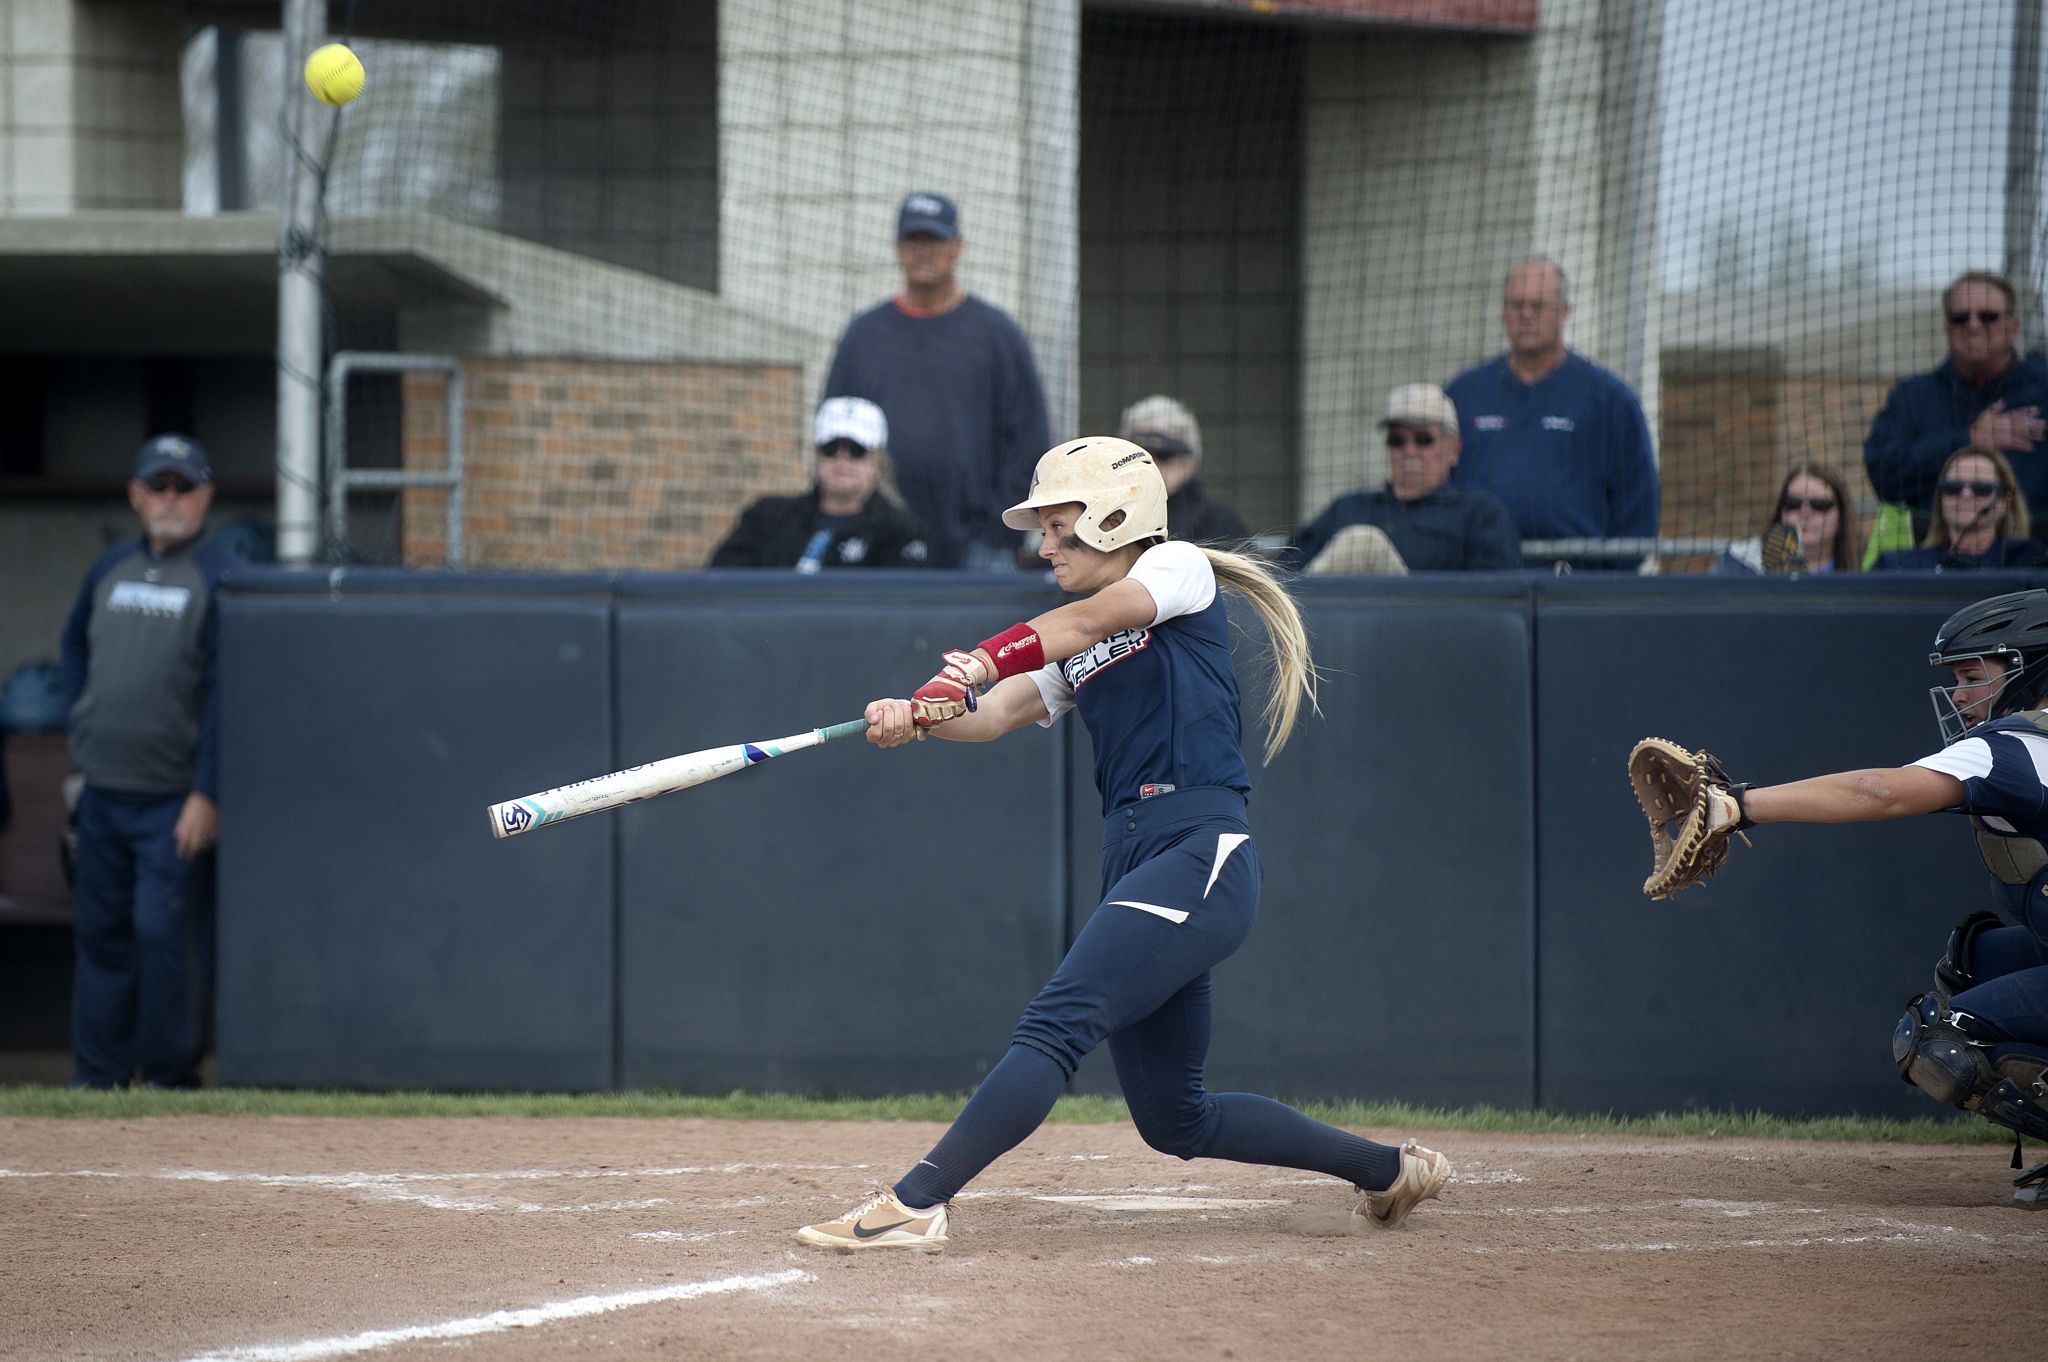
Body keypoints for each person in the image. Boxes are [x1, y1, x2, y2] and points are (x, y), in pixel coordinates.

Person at [793, 436, 1452, 1252]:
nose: (1044, 545)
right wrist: (919, 715)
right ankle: (1388, 1170)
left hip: (1197, 850)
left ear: (1115, 518)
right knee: (1177, 1116)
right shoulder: (1082, 645)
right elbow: (995, 715)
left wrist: (970, 668)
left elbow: (1086, 621)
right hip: (1136, 858)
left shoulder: (1175, 570)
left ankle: (915, 1201)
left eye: (1060, 526)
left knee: (1056, 1022)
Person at [1678, 589, 2048, 1206]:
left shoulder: (2013, 746)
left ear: (2029, 668)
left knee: (1938, 1041)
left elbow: (1878, 792)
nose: (1960, 696)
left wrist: (1739, 805)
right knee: (1971, 963)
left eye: (1972, 676)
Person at [59, 433, 240, 1089]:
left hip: (173, 803)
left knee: (162, 942)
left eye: (182, 487)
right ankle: (98, 1077)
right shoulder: (108, 569)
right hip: (102, 794)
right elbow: (74, 649)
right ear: (135, 495)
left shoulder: (220, 576)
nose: (170, 499)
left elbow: (226, 694)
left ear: (205, 496)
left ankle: (169, 1076)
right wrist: (81, 734)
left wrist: (207, 792)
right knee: (100, 937)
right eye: (157, 486)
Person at [824, 191, 1052, 571]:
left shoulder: (997, 335)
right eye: (914, 241)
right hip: (877, 542)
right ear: (898, 248)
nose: (924, 252)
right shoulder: (864, 335)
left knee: (979, 635)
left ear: (957, 247)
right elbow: (832, 430)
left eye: (935, 241)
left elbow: (1030, 440)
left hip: (978, 548)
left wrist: (998, 533)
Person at [1444, 257, 1659, 568]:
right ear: (1504, 312)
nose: (1526, 315)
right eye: (1516, 305)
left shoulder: (1610, 400)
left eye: (1537, 305)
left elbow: (1638, 509)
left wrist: (1608, 584)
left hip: (1573, 591)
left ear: (1564, 311)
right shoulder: (1464, 394)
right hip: (1481, 586)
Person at [1864, 271, 2048, 547]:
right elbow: (1884, 474)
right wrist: (1968, 440)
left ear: (2013, 326)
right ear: (1948, 329)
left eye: (1988, 316)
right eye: (1960, 317)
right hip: (1938, 572)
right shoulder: (1912, 397)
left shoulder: (2043, 393)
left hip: (2036, 570)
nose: (1973, 326)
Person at [1282, 384, 1521, 573]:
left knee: (1364, 544)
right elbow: (1287, 571)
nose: (1409, 451)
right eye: (1397, 440)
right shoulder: (1349, 507)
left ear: (1454, 448)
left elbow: (1496, 599)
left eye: (1423, 439)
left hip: (1426, 628)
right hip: (1344, 630)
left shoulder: (1479, 514)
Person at [708, 397, 931, 570]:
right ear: (816, 454)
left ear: (877, 460)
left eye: (856, 450)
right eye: (831, 448)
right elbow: (722, 583)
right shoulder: (767, 518)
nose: (842, 460)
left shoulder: (902, 531)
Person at [1872, 448, 2048, 572]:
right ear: (1940, 499)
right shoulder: (1898, 566)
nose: (1965, 495)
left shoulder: (2031, 560)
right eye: (1953, 487)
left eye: (1981, 488)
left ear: (2004, 501)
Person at [1116, 394, 1251, 547]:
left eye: (1164, 455)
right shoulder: (1109, 512)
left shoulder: (1218, 521)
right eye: (1140, 454)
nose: (1151, 464)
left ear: (1190, 462)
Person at [1712, 463, 1864, 576]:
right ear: (1781, 511)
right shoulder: (1739, 562)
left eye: (1820, 505)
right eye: (1793, 504)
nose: (1805, 513)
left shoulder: (1867, 566)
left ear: (1841, 514)